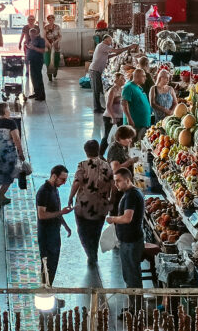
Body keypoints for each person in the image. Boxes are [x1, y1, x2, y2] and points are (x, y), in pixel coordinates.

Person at [68, 140, 112, 266]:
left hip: (83, 205)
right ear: (98, 150)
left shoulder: (82, 165)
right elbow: (113, 185)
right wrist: (111, 200)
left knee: (82, 230)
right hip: (101, 205)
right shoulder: (107, 166)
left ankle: (90, 253)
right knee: (96, 231)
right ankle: (94, 251)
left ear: (86, 152)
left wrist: (71, 196)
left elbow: (77, 182)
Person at [107, 167, 145, 310]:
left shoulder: (131, 196)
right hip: (129, 241)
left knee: (132, 276)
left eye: (118, 181)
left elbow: (127, 218)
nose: (116, 184)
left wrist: (112, 219)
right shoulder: (132, 193)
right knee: (130, 275)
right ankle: (134, 307)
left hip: (131, 242)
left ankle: (136, 309)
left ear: (127, 180)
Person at [36, 165, 72, 285]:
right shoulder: (44, 192)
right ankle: (45, 287)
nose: (64, 183)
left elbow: (55, 211)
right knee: (47, 264)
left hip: (54, 233)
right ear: (54, 176)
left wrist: (65, 225)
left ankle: (49, 286)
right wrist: (61, 212)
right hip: (46, 234)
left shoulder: (54, 190)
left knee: (53, 262)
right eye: (62, 179)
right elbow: (42, 215)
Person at [89, 35, 135, 113]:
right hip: (95, 71)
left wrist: (118, 54)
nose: (111, 42)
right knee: (96, 90)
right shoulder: (103, 46)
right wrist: (128, 47)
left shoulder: (102, 46)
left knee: (98, 89)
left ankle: (98, 107)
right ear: (106, 40)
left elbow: (108, 56)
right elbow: (115, 51)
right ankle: (97, 108)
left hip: (96, 71)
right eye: (110, 40)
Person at [121, 69, 152, 139]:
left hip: (143, 124)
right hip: (135, 124)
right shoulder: (128, 87)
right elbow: (124, 104)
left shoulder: (138, 87)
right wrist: (129, 118)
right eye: (143, 76)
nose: (145, 78)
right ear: (137, 77)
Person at [102, 71, 126, 154]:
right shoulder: (113, 90)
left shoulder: (121, 90)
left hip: (120, 116)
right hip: (110, 116)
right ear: (117, 80)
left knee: (122, 135)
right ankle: (100, 153)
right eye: (122, 79)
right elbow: (108, 105)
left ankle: (120, 152)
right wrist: (113, 117)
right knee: (107, 135)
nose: (124, 80)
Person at [26, 27, 47, 101]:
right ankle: (36, 92)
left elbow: (43, 50)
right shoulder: (30, 40)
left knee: (38, 78)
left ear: (36, 34)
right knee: (33, 78)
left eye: (33, 35)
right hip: (32, 60)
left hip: (38, 60)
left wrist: (34, 48)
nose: (32, 37)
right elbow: (29, 50)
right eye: (30, 35)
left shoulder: (41, 40)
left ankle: (41, 95)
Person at [43, 14, 63, 82]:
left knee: (56, 59)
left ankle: (55, 71)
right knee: (48, 60)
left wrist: (56, 41)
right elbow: (44, 37)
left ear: (54, 20)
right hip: (47, 45)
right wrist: (48, 43)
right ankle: (49, 74)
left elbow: (60, 36)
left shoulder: (57, 27)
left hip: (56, 45)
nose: (51, 21)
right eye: (49, 20)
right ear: (48, 20)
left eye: (52, 19)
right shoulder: (46, 27)